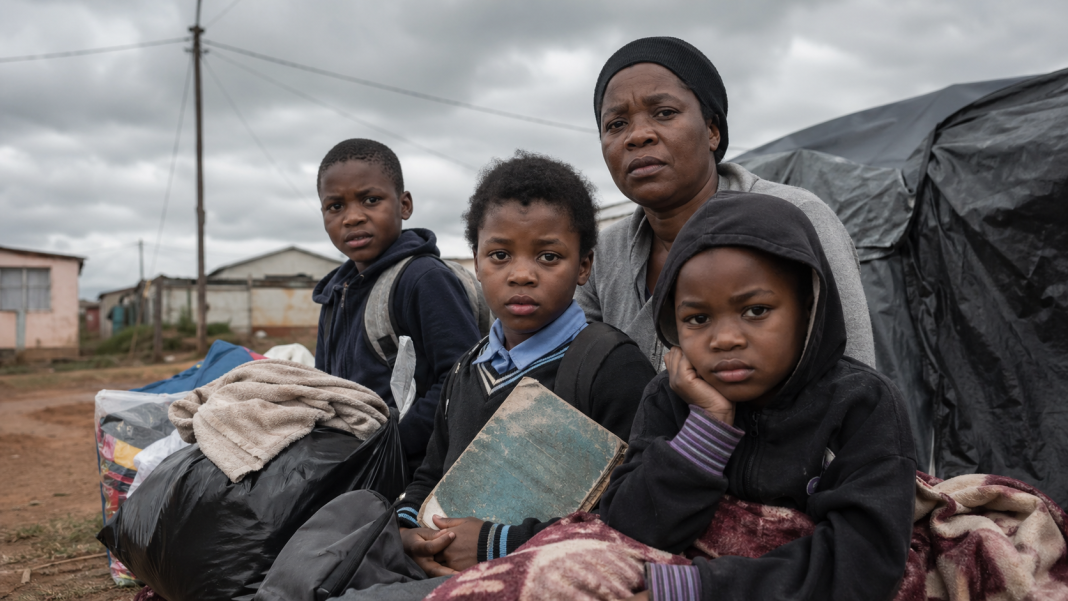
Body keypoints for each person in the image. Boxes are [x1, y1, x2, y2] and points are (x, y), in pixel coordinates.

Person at [351, 152, 655, 598]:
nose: (522, 274)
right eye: (500, 255)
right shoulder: (466, 368)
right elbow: (431, 471)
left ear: (584, 266)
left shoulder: (609, 365)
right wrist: (409, 530)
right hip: (440, 570)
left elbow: (635, 511)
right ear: (476, 260)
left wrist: (496, 542)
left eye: (548, 256)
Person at [598, 191, 916, 601]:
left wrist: (703, 589)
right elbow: (630, 526)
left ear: (808, 308)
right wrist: (707, 426)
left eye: (756, 311)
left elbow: (863, 563)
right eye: (697, 319)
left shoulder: (863, 405)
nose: (726, 339)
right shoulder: (671, 397)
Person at [577, 36, 877, 370]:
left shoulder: (797, 219)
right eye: (616, 124)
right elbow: (571, 372)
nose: (638, 135)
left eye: (664, 113)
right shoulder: (600, 255)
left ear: (712, 130)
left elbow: (855, 380)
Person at [312, 138, 482, 473]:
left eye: (370, 200)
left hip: (417, 467)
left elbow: (461, 381)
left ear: (404, 205)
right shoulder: (333, 294)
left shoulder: (423, 279)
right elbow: (323, 391)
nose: (352, 218)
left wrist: (393, 444)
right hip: (354, 463)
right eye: (336, 207)